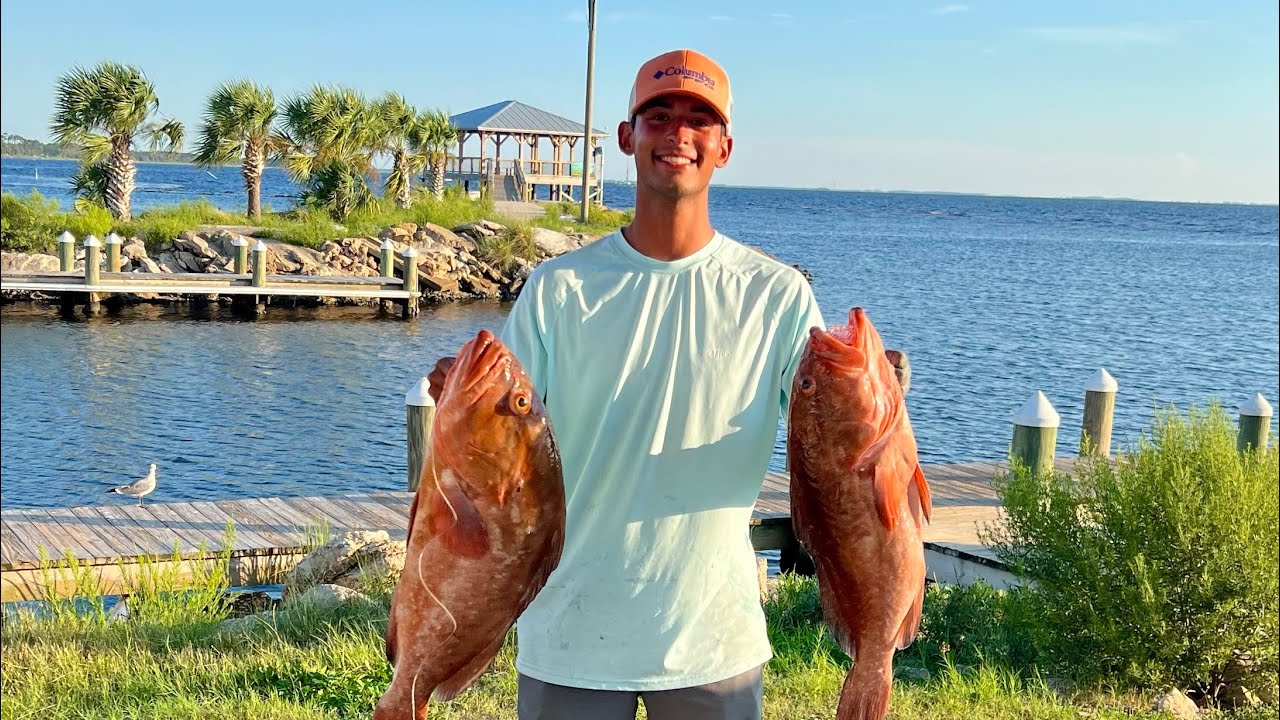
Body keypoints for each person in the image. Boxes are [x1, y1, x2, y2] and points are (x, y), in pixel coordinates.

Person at [427, 48, 909, 720]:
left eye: (698, 120)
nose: (677, 134)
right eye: (658, 116)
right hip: (568, 634)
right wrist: (459, 397)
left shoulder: (775, 294)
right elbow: (501, 437)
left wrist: (879, 407)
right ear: (627, 137)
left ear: (725, 147)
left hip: (712, 639)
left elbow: (832, 457)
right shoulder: (559, 289)